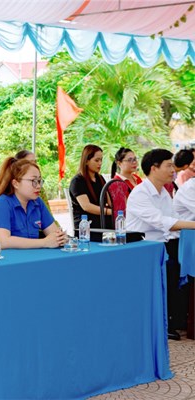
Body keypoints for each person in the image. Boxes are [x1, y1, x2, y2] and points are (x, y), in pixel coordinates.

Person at [126, 149, 195, 341]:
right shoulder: (140, 193)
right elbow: (163, 222)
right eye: (169, 165)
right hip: (141, 248)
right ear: (153, 168)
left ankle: (176, 319)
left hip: (161, 245)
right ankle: (165, 321)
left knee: (180, 265)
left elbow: (173, 220)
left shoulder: (164, 193)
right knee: (174, 266)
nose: (173, 170)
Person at [0, 157, 65, 248]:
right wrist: (44, 242)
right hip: (3, 256)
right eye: (33, 181)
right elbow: (4, 241)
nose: (38, 186)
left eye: (39, 181)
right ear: (16, 183)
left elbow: (54, 233)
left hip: (31, 255)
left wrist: (61, 238)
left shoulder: (37, 202)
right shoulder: (2, 203)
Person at [69, 144, 112, 229]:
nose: (100, 163)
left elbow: (109, 201)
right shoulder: (77, 181)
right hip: (86, 227)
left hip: (103, 223)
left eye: (101, 160)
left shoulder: (100, 179)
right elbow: (86, 206)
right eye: (96, 160)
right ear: (86, 161)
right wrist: (108, 211)